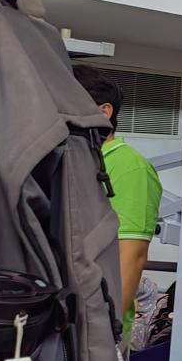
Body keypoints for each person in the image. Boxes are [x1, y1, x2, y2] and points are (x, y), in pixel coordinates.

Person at [72, 64, 162, 346]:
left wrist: (105, 333)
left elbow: (130, 256)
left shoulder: (130, 167)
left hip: (95, 333)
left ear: (104, 112)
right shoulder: (72, 161)